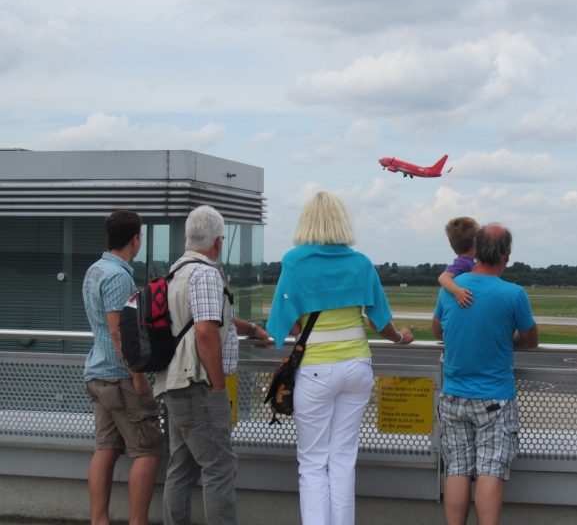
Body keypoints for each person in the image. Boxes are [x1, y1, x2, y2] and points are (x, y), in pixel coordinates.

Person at [268, 191, 414, 525]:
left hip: (316, 370)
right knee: (343, 460)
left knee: (313, 462)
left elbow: (286, 323)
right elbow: (382, 323)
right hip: (357, 368)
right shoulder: (360, 262)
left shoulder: (294, 261)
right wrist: (401, 338)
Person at [154, 205, 271, 525]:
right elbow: (205, 332)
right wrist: (218, 387)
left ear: (185, 238)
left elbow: (202, 320)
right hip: (199, 386)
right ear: (219, 242)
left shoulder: (175, 272)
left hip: (174, 383)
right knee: (220, 468)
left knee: (182, 467)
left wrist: (249, 329)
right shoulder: (206, 273)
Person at [432, 223, 539, 525]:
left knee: (457, 470)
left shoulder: (451, 287)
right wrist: (512, 337)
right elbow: (531, 339)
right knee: (490, 471)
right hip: (494, 398)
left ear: (476, 251)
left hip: (453, 394)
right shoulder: (513, 293)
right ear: (507, 255)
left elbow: (438, 330)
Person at [83, 210, 166, 525]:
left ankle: (99, 520)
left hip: (97, 373)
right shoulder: (119, 276)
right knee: (148, 449)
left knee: (105, 447)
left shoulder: (95, 270)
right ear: (136, 239)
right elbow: (118, 331)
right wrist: (137, 375)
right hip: (119, 378)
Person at [437, 216, 480, 308]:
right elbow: (443, 277)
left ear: (452, 246)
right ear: (475, 244)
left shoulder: (470, 262)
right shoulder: (463, 263)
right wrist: (457, 291)